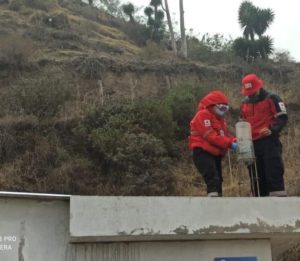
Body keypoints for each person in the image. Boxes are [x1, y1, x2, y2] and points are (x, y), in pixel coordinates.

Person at [240, 73, 288, 197]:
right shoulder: (244, 103)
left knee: (273, 171)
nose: (250, 95)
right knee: (255, 175)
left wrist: (271, 129)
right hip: (251, 144)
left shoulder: (272, 98)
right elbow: (242, 122)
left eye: (252, 92)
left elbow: (282, 117)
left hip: (269, 141)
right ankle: (259, 202)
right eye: (248, 92)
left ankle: (278, 201)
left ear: (259, 87)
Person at [189, 91, 237, 197]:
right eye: (222, 108)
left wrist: (235, 141)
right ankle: (213, 203)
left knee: (218, 179)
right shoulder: (203, 115)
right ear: (213, 105)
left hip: (214, 153)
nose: (223, 111)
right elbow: (210, 136)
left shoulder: (220, 120)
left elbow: (225, 135)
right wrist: (230, 144)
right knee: (212, 177)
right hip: (202, 152)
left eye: (226, 109)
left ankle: (218, 202)